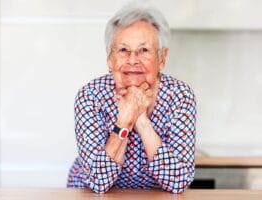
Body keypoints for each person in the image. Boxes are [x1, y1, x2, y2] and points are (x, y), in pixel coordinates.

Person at [67, 2, 196, 194]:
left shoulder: (180, 97)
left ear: (162, 59)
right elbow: (99, 182)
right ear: (110, 59)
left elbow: (178, 182)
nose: (133, 59)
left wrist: (141, 120)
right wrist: (125, 120)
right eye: (123, 50)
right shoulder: (90, 97)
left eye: (144, 50)